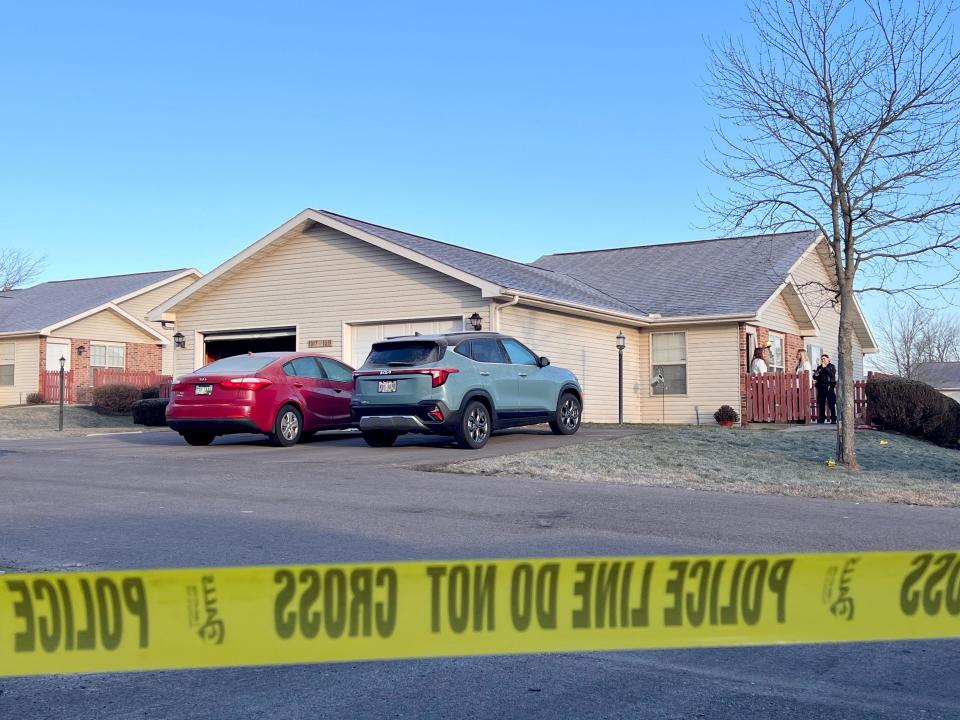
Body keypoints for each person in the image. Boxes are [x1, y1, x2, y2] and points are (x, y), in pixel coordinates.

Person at [813, 353, 837, 423]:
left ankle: (833, 419)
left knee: (831, 403)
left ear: (828, 359)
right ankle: (822, 418)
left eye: (824, 359)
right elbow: (815, 377)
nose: (823, 360)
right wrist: (816, 374)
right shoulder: (819, 367)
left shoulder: (831, 366)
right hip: (821, 387)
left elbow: (832, 375)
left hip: (829, 386)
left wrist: (825, 367)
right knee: (821, 403)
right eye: (822, 359)